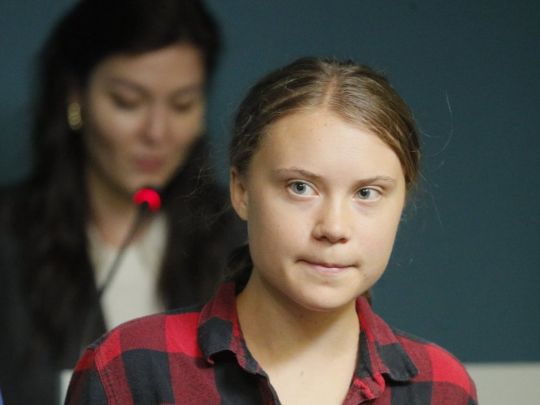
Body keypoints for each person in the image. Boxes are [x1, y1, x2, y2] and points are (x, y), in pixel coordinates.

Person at [65, 57, 477, 404]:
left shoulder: (441, 386)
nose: (334, 228)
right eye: (300, 187)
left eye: (367, 193)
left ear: (401, 202)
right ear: (241, 190)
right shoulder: (129, 369)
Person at [0, 0, 245, 404]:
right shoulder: (9, 238)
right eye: (128, 102)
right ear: (76, 97)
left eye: (182, 104)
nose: (157, 132)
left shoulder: (239, 235)